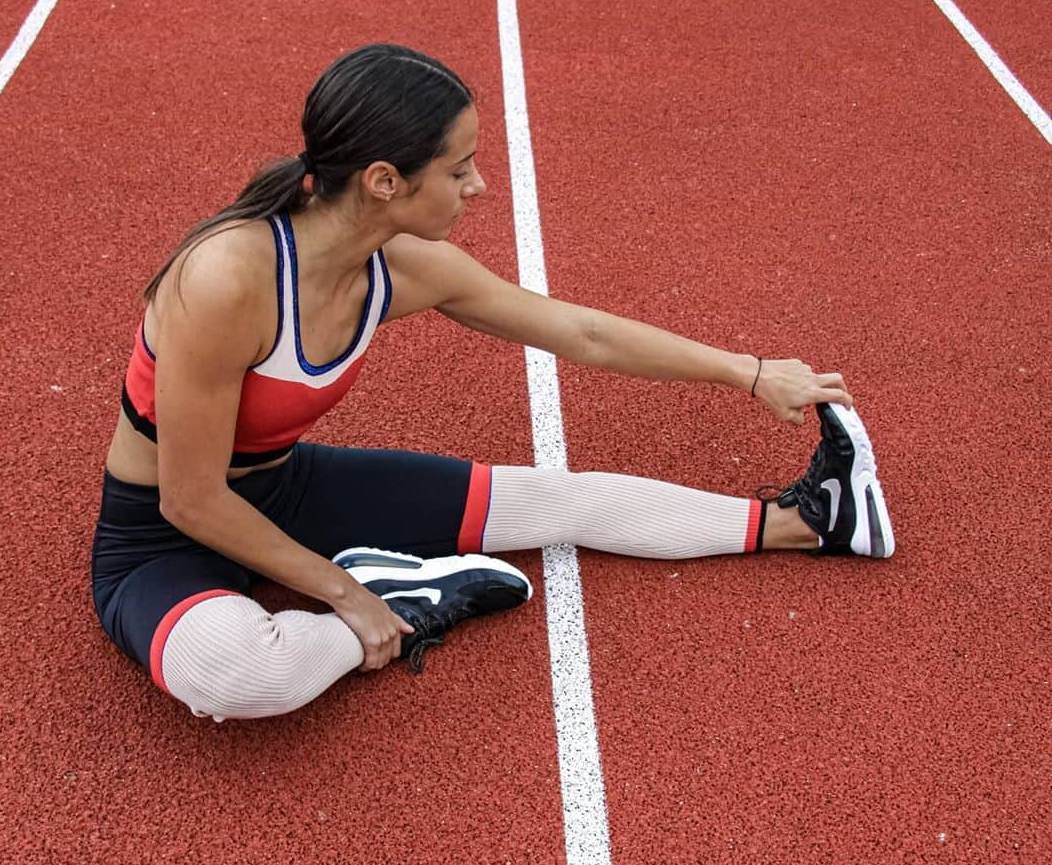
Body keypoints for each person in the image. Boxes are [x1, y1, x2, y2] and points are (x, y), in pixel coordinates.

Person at [92, 43, 894, 723]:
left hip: (287, 491)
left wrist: (748, 373)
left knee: (560, 499)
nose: (478, 186)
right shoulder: (227, 278)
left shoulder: (402, 268)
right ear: (383, 180)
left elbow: (582, 334)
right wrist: (348, 599)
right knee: (240, 675)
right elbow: (189, 500)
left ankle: (808, 521)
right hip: (161, 539)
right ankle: (399, 595)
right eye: (460, 167)